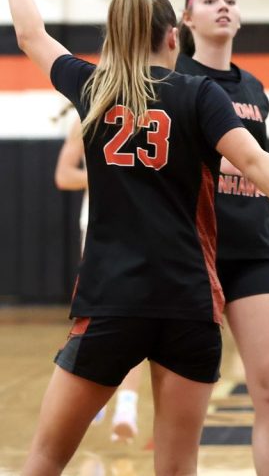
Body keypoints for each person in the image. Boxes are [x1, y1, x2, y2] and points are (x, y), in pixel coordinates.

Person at [3, 0, 269, 476]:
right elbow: (254, 162)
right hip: (187, 301)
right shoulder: (199, 95)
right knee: (177, 469)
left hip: (112, 299)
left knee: (45, 459)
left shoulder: (92, 86)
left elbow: (31, 35)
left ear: (117, 36)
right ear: (174, 37)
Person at [176, 0, 269, 474]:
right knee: (188, 403)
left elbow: (257, 162)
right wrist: (255, 170)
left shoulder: (253, 88)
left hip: (253, 245)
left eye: (230, 0)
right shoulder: (175, 78)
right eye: (209, 0)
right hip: (192, 249)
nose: (223, 6)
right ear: (187, 19)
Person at [54, 111, 145, 443]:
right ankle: (94, 389)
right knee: (97, 316)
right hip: (98, 224)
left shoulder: (157, 110)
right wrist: (102, 175)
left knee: (137, 315)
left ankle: (127, 405)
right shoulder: (87, 114)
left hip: (143, 222)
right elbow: (64, 175)